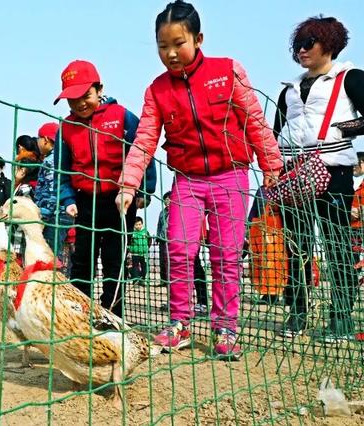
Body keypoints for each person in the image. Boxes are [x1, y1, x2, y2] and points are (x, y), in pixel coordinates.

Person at [116, 0, 283, 358]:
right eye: (163, 46)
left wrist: (271, 164)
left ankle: (225, 328)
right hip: (187, 180)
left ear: (198, 39)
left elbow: (254, 119)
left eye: (179, 43)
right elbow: (145, 139)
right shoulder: (157, 90)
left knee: (225, 254)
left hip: (231, 176)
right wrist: (128, 183)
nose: (171, 53)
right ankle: (180, 323)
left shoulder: (228, 70)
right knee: (178, 247)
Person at [273, 16, 364, 341]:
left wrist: (343, 130)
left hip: (335, 168)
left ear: (329, 43)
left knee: (337, 245)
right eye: (297, 44)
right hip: (293, 172)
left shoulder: (349, 78)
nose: (301, 50)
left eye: (308, 43)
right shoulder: (289, 90)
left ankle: (341, 319)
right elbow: (274, 133)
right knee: (295, 246)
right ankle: (297, 314)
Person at [53, 59, 157, 318]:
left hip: (120, 200)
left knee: (115, 261)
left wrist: (144, 191)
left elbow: (143, 152)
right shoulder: (66, 128)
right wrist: (67, 198)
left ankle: (112, 315)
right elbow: (61, 169)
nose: (79, 104)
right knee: (82, 262)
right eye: (71, 100)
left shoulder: (122, 116)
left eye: (85, 95)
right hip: (84, 201)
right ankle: (79, 314)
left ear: (100, 89)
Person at [157, 191, 208, 316]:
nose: (168, 201)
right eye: (166, 200)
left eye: (170, 199)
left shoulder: (185, 208)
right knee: (171, 273)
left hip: (188, 243)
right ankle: (174, 302)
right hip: (168, 245)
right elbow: (160, 227)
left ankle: (202, 302)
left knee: (196, 270)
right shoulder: (163, 213)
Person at [33, 122, 75, 265]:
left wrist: (43, 215)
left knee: (48, 254)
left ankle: (50, 284)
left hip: (54, 214)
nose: (37, 143)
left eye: (38, 139)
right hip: (59, 213)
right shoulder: (60, 157)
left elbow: (53, 190)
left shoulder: (52, 160)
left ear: (45, 140)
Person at [128, 217, 151, 285]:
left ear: (142, 224)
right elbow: (129, 242)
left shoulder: (145, 232)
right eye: (136, 224)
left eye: (139, 224)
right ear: (134, 225)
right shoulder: (132, 233)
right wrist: (130, 249)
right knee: (135, 268)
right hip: (135, 253)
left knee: (145, 268)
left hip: (144, 254)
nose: (138, 226)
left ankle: (142, 280)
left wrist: (148, 247)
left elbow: (149, 239)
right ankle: (135, 281)